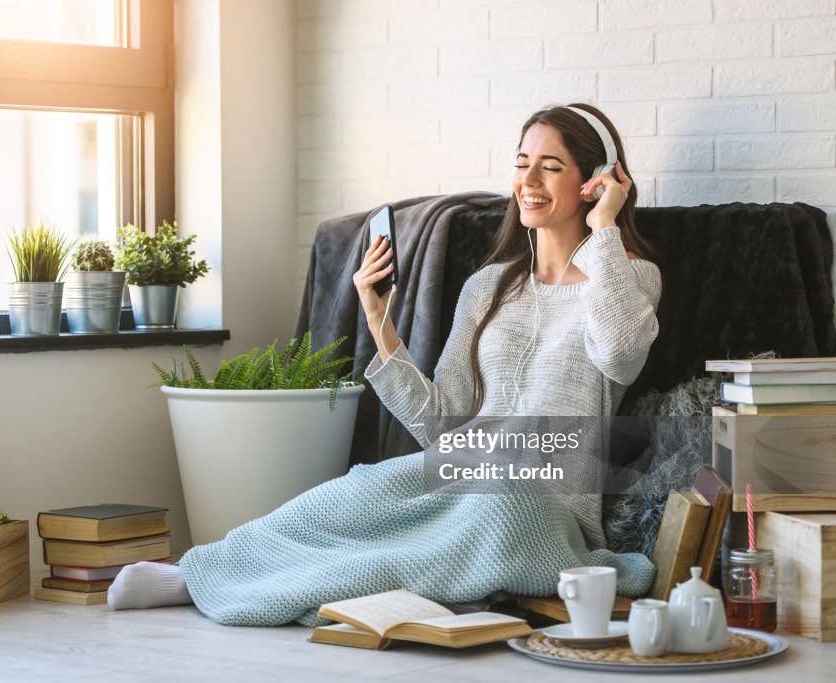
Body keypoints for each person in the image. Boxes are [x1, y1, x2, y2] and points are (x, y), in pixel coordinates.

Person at [106, 103, 662, 624]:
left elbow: (621, 356)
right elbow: (439, 421)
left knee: (507, 507)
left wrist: (605, 229)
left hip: (542, 499)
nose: (529, 182)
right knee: (349, 494)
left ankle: (261, 587)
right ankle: (200, 572)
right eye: (522, 165)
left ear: (595, 180)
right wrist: (378, 321)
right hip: (458, 474)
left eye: (551, 167)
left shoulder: (629, 277)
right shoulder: (486, 287)